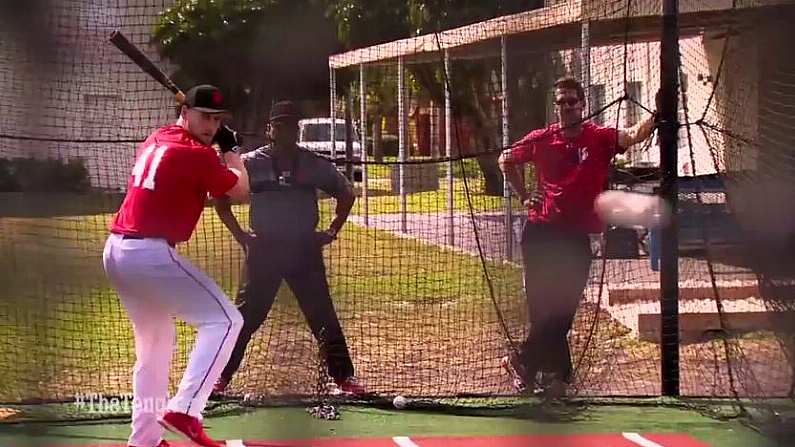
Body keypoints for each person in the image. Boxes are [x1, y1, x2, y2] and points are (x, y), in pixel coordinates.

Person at [103, 84, 248, 447]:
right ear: (185, 113)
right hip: (148, 254)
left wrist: (214, 147)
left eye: (217, 120)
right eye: (204, 117)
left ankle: (145, 440)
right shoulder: (197, 155)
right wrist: (231, 150)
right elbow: (240, 191)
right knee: (226, 320)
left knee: (155, 345)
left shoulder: (158, 136)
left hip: (117, 253)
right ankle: (185, 409)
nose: (211, 125)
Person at [498, 77, 657, 396]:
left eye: (573, 101)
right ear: (555, 107)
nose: (568, 106)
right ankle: (553, 375)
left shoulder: (598, 138)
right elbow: (505, 159)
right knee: (542, 309)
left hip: (575, 237)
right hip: (541, 231)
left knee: (565, 308)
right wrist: (524, 195)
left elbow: (631, 135)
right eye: (562, 102)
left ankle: (523, 361)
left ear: (583, 104)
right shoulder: (543, 138)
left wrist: (655, 114)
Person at [213, 100, 364, 396]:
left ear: (297, 130)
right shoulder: (251, 163)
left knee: (322, 315)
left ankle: (345, 379)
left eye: (291, 126)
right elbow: (221, 197)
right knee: (244, 318)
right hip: (265, 250)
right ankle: (219, 378)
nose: (285, 132)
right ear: (270, 129)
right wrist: (241, 235)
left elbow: (347, 194)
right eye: (280, 126)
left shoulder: (312, 163)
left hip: (303, 251)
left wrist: (332, 231)